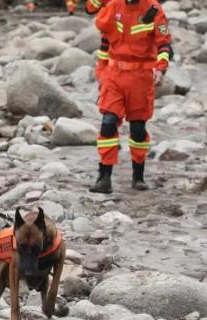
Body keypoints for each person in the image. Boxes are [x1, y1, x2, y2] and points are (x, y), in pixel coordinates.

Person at [89, 0, 172, 193]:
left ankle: (138, 177)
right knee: (108, 123)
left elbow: (165, 45)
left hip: (141, 79)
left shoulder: (154, 10)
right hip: (114, 75)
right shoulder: (114, 5)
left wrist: (161, 69)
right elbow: (105, 39)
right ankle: (104, 177)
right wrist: (101, 71)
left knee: (137, 130)